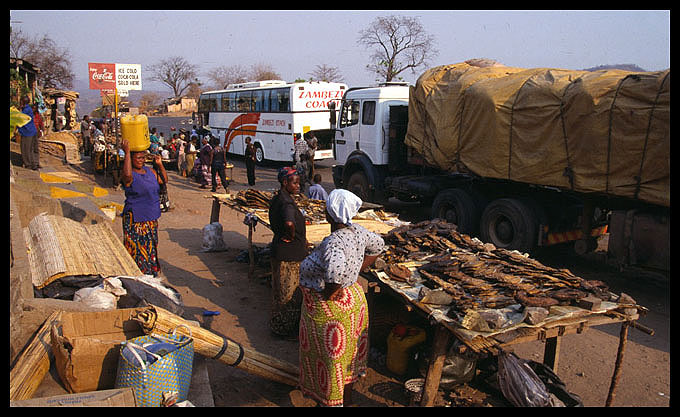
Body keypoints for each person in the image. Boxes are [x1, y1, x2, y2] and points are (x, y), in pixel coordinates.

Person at [297, 189, 385, 407]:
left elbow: (335, 274)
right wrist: (355, 272)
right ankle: (346, 399)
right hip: (353, 301)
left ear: (328, 215)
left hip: (330, 308)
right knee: (345, 359)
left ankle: (330, 402)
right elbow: (379, 245)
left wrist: (330, 292)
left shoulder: (334, 242)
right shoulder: (358, 232)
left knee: (329, 362)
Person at [268, 167, 310, 337]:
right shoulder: (287, 203)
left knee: (279, 292)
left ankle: (278, 325)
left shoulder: (279, 198)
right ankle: (282, 330)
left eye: (299, 182)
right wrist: (290, 235)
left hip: (281, 251)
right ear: (285, 183)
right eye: (295, 183)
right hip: (289, 256)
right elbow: (289, 223)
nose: (298, 186)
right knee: (288, 295)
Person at [120, 139, 168, 277]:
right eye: (138, 158)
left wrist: (160, 164)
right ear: (131, 159)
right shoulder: (129, 175)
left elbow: (164, 180)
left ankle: (150, 273)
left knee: (151, 247)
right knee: (136, 250)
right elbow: (127, 175)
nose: (141, 160)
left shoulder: (151, 171)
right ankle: (136, 274)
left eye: (143, 158)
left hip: (151, 217)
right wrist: (127, 153)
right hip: (135, 219)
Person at [17, 96, 39, 170]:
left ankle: (28, 164)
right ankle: (35, 164)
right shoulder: (28, 109)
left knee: (26, 149)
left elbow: (19, 118)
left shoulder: (26, 110)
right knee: (32, 149)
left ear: (22, 102)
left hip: (27, 132)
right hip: (32, 131)